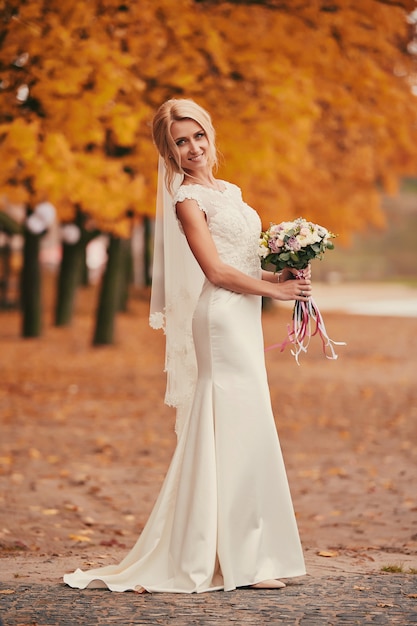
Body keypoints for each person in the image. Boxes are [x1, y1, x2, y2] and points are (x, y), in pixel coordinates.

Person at [64, 99, 311, 594]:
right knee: (234, 426)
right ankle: (237, 559)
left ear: (209, 135)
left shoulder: (230, 191)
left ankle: (246, 551)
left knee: (245, 426)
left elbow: (239, 260)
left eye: (197, 136)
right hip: (220, 319)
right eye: (181, 141)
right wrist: (277, 293)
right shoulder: (186, 201)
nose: (193, 147)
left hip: (242, 315)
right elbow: (216, 272)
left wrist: (278, 274)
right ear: (169, 151)